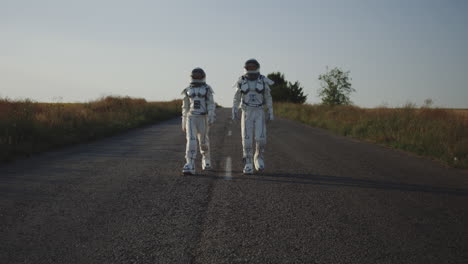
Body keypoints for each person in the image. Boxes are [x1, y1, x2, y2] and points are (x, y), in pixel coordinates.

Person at [232, 59, 274, 174]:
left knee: (261, 138)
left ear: (257, 67)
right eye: (248, 67)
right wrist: (234, 109)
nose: (250, 69)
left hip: (259, 111)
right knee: (247, 139)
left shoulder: (263, 80)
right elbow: (236, 97)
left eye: (252, 67)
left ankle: (259, 157)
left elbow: (268, 97)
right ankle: (248, 162)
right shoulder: (241, 81)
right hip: (246, 112)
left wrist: (270, 111)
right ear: (245, 68)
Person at [181, 67, 216, 175]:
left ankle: (206, 159)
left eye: (198, 76)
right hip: (191, 117)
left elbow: (210, 103)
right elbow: (185, 106)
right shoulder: (187, 90)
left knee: (203, 141)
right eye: (195, 76)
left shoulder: (207, 89)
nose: (196, 77)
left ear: (203, 77)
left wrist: (211, 114)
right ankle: (190, 164)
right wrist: (184, 120)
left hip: (203, 117)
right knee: (191, 140)